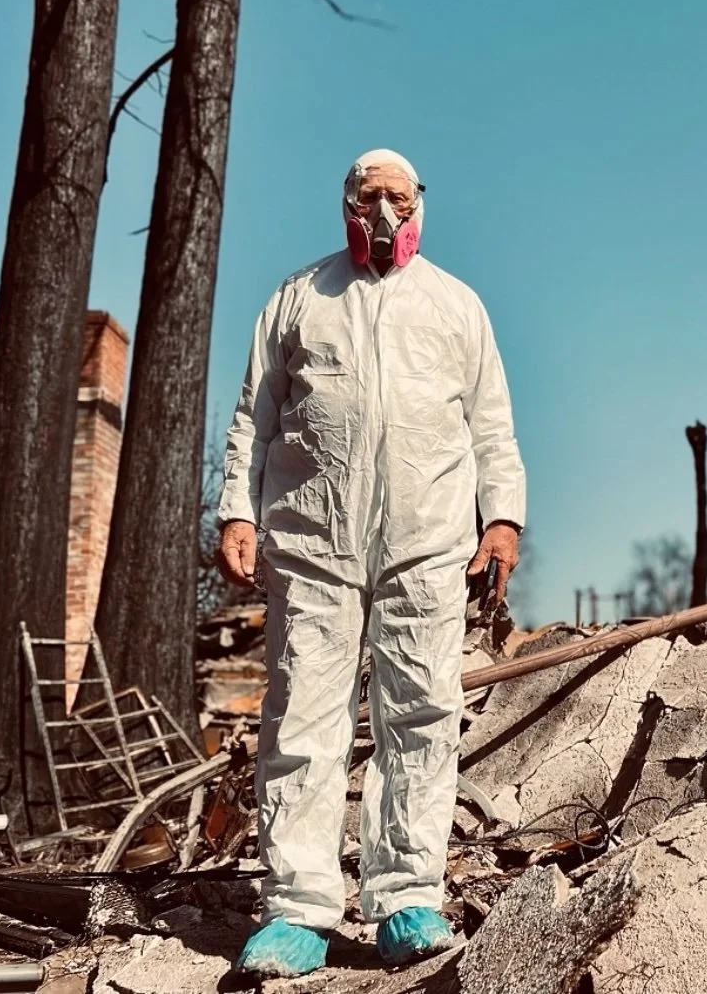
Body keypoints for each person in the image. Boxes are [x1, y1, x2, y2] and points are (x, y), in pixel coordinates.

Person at [216, 149, 524, 976]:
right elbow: (254, 415)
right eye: (368, 195)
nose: (383, 209)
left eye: (397, 195)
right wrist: (238, 509)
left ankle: (406, 898)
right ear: (344, 204)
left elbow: (491, 424)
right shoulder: (298, 300)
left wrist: (501, 517)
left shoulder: (456, 306)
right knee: (303, 721)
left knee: (420, 715)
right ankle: (299, 908)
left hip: (426, 545)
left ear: (420, 203)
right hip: (314, 545)